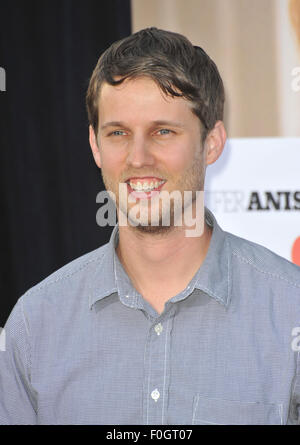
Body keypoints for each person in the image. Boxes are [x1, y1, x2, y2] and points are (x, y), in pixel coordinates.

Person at [1, 27, 300, 425]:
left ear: (212, 142)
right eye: (118, 133)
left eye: (163, 132)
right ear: (95, 145)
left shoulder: (289, 309)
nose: (138, 157)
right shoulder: (35, 324)